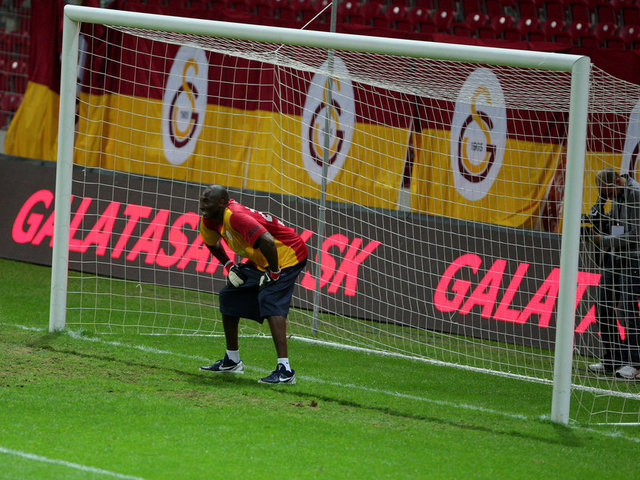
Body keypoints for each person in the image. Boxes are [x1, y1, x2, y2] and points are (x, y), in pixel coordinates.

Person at [197, 185, 308, 384]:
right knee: (229, 296)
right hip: (262, 259)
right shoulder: (209, 219)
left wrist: (274, 272)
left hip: (288, 255)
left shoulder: (235, 216)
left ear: (221, 202)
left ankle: (285, 371)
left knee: (270, 298)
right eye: (201, 201)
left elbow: (268, 241)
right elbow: (211, 242)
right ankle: (232, 360)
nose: (202, 206)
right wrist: (230, 266)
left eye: (207, 202)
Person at [587, 168, 640, 380]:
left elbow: (637, 234)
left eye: (607, 191)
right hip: (616, 256)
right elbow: (617, 223)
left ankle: (636, 364)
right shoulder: (616, 194)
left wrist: (605, 240)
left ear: (617, 181)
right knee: (602, 306)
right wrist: (600, 215)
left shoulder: (636, 195)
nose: (606, 196)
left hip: (634, 258)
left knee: (627, 310)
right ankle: (613, 359)